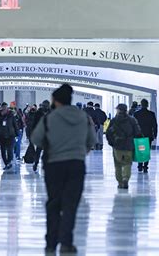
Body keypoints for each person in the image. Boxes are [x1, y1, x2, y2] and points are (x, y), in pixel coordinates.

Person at [31, 84, 96, 254]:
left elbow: (36, 139)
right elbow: (92, 140)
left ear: (55, 101)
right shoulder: (83, 117)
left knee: (54, 203)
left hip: (54, 165)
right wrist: (80, 150)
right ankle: (67, 242)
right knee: (70, 204)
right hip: (76, 164)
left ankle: (51, 243)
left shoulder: (49, 118)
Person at [106, 103, 142, 189]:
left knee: (118, 165)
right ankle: (126, 179)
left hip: (117, 146)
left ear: (118, 110)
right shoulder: (132, 120)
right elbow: (138, 132)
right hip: (128, 146)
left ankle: (120, 182)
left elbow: (108, 133)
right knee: (127, 163)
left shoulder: (114, 120)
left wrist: (111, 143)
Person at [133, 99, 158, 173]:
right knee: (147, 150)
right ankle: (145, 166)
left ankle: (140, 165)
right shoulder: (151, 114)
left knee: (140, 150)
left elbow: (134, 125)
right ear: (147, 105)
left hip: (139, 135)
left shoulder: (136, 114)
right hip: (148, 135)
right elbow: (155, 125)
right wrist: (155, 134)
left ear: (141, 104)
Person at [0, 102, 19, 170]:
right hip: (2, 135)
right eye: (3, 108)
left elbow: (15, 125)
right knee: (3, 150)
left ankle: (9, 162)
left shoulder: (11, 115)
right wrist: (0, 116)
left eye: (6, 108)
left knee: (10, 150)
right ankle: (6, 163)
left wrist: (17, 134)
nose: (5, 109)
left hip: (10, 135)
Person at [31, 100, 51, 172]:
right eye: (44, 105)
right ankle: (36, 163)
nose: (45, 106)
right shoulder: (38, 113)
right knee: (38, 150)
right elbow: (34, 123)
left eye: (46, 105)